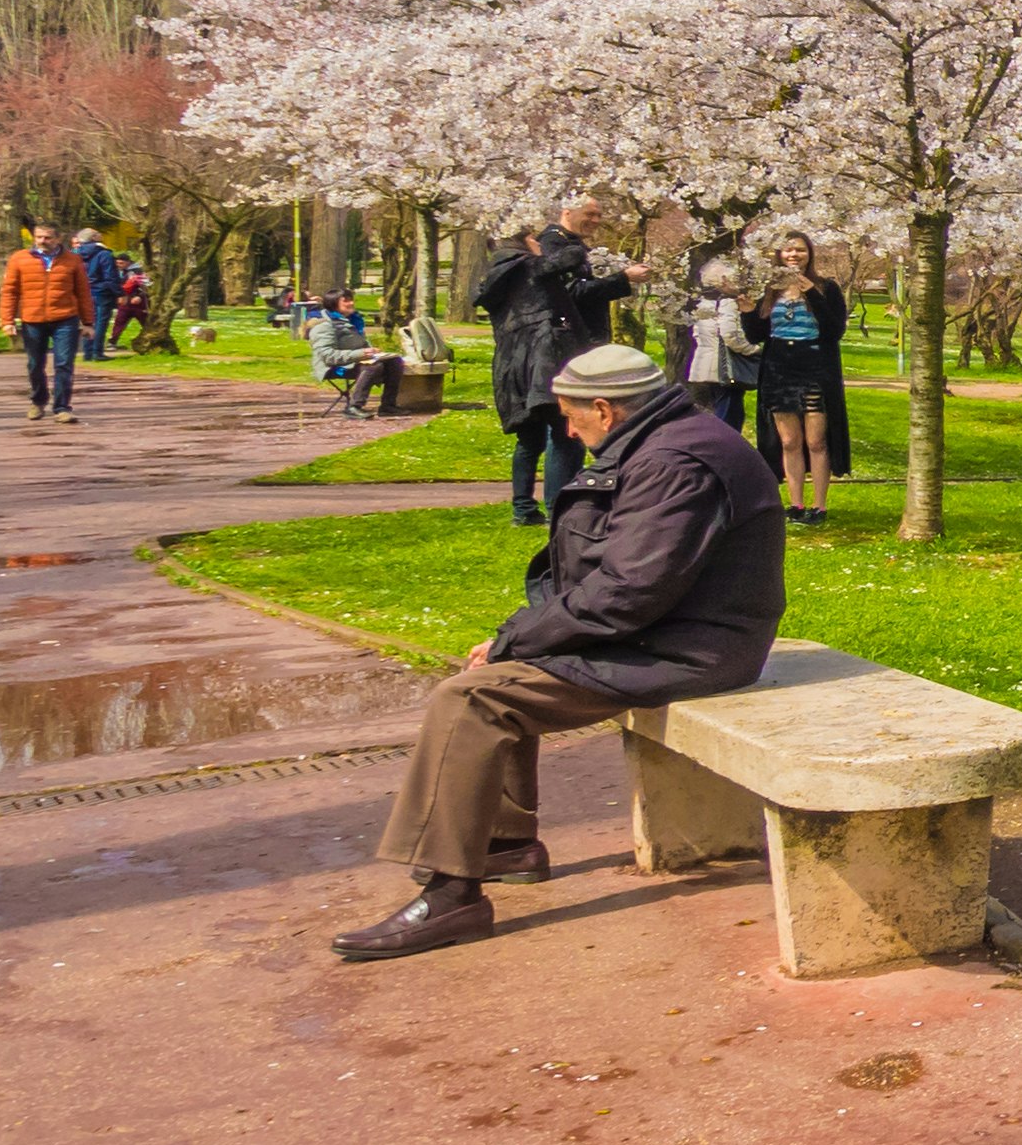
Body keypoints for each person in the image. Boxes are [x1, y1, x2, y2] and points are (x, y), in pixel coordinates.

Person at [334, 342, 785, 960]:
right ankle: (501, 846)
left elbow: (627, 592)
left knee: (471, 701)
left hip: (689, 648)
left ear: (606, 409)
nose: (568, 429)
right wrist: (516, 639)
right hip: (664, 634)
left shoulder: (676, 461)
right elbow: (604, 576)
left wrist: (514, 640)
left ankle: (450, 897)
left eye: (572, 416)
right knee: (498, 677)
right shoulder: (662, 443)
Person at [472, 202, 634, 526]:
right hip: (544, 360)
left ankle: (522, 509)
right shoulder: (531, 266)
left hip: (513, 362)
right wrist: (620, 276)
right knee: (565, 433)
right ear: (526, 244)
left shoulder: (500, 277)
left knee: (529, 440)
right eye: (535, 240)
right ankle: (559, 507)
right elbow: (567, 261)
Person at [750, 230, 855, 528]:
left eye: (800, 250)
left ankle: (819, 506)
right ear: (779, 255)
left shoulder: (826, 288)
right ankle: (795, 503)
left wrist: (811, 293)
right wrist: (747, 311)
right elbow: (756, 335)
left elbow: (835, 331)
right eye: (788, 250)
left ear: (810, 254)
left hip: (815, 372)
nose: (794, 255)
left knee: (817, 441)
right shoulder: (771, 290)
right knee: (789, 441)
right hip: (779, 371)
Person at [0, 222, 91, 424]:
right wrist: (7, 320)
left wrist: (88, 322)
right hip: (33, 319)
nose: (42, 241)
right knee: (34, 364)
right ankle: (38, 401)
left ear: (57, 239)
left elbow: (83, 293)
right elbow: (10, 292)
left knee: (64, 364)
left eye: (47, 237)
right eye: (39, 237)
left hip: (65, 318)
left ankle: (62, 407)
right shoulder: (19, 258)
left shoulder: (73, 261)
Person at [681, 260, 761, 441]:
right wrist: (754, 350)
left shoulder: (703, 304)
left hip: (705, 367)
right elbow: (730, 335)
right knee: (729, 416)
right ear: (724, 281)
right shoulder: (727, 303)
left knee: (715, 410)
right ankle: (724, 450)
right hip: (724, 369)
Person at [75, 225, 123, 358]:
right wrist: (119, 293)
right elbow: (111, 276)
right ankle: (97, 351)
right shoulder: (104, 254)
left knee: (88, 321)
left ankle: (87, 352)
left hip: (83, 292)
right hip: (101, 291)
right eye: (98, 233)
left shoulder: (76, 254)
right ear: (94, 237)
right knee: (100, 322)